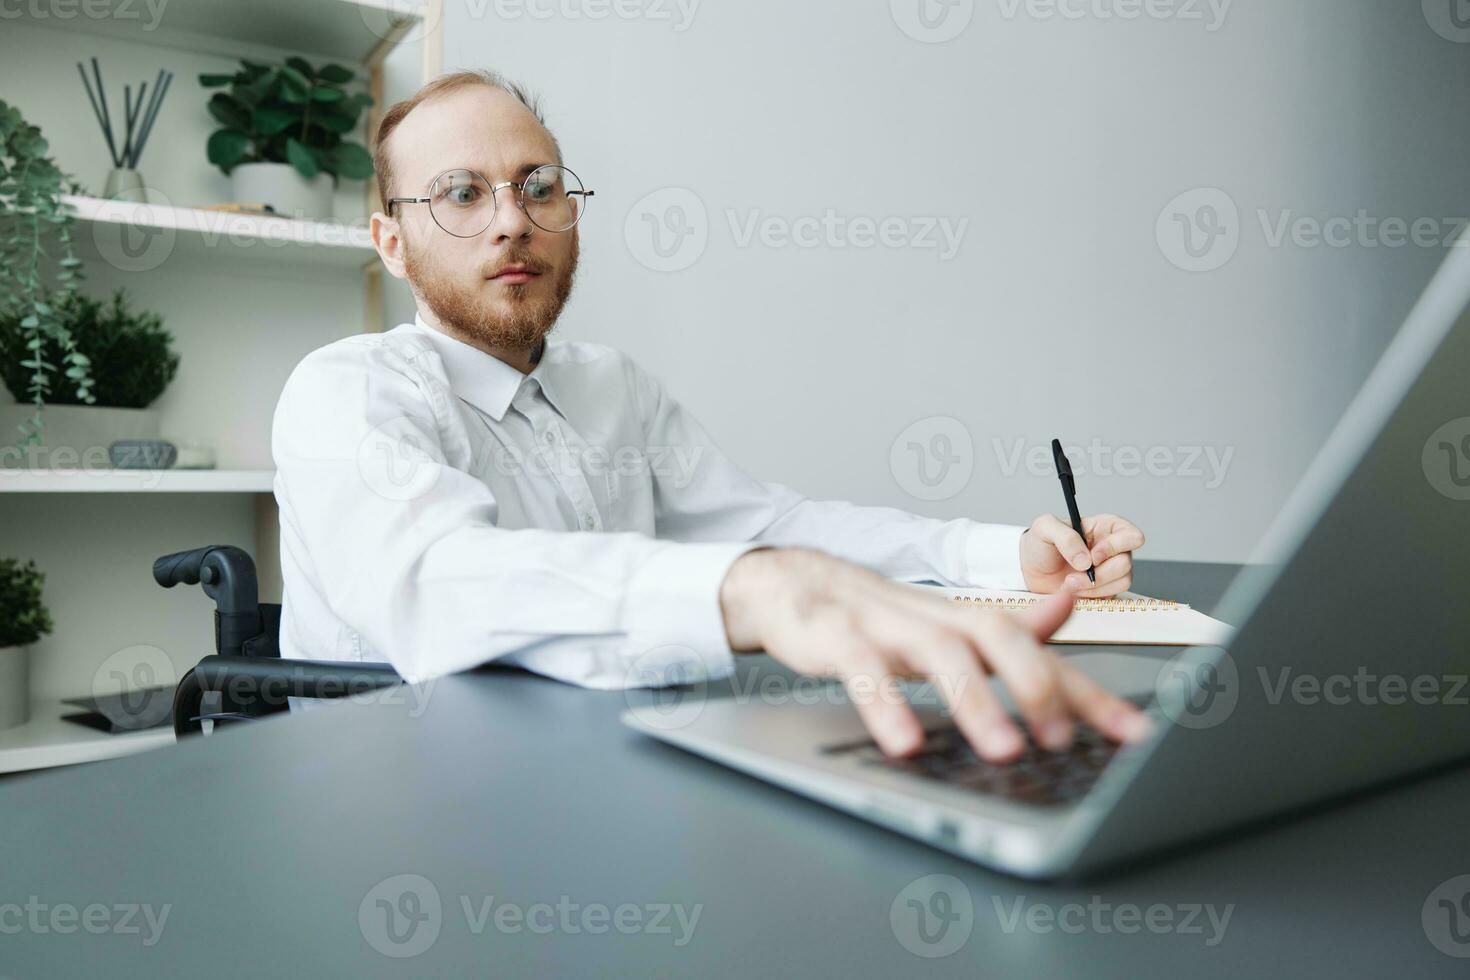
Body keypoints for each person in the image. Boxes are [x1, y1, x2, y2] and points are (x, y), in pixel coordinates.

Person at [272, 69, 1152, 763]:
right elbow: (437, 580)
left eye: (537, 186)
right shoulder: (345, 392)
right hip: (396, 799)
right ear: (392, 242)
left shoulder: (613, 386)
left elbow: (778, 529)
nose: (512, 221)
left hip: (615, 759)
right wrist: (746, 589)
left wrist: (999, 557)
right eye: (461, 193)